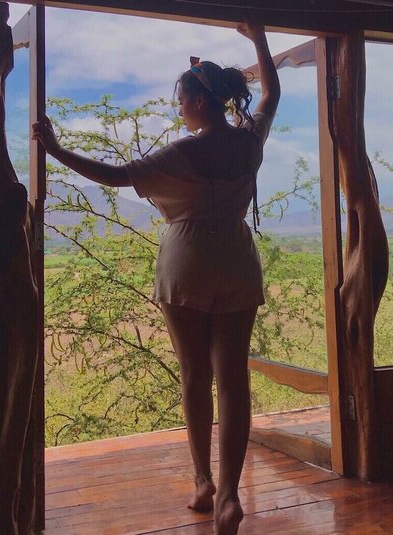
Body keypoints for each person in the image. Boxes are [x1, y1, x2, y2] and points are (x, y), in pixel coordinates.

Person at [33, 19, 279, 535]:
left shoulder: (182, 153)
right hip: (237, 260)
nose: (179, 108)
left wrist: (55, 149)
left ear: (201, 102)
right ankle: (229, 497)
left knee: (195, 375)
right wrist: (257, 35)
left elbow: (115, 175)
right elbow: (271, 92)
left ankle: (203, 482)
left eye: (182, 100)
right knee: (233, 381)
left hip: (186, 264)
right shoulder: (249, 142)